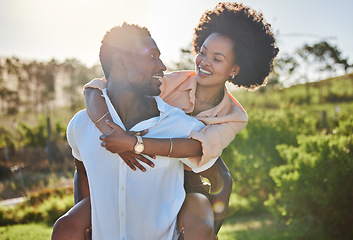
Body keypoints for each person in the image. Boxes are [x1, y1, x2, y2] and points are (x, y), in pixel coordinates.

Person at [53, 2, 278, 239]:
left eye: (217, 58)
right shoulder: (169, 82)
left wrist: (134, 144)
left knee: (200, 217)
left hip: (190, 181)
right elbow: (101, 87)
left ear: (234, 69)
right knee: (66, 226)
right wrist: (110, 130)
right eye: (202, 51)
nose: (204, 61)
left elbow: (197, 148)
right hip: (148, 175)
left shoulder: (233, 117)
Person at [52, 23, 219, 240]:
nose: (162, 65)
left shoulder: (182, 126)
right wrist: (85, 217)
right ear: (120, 61)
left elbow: (217, 180)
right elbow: (82, 171)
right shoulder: (81, 125)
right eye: (152, 57)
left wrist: (204, 228)